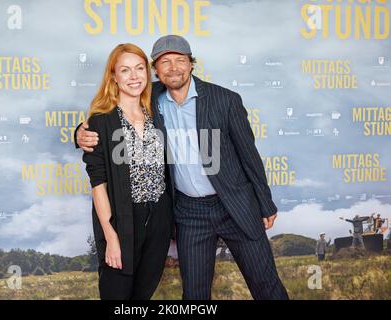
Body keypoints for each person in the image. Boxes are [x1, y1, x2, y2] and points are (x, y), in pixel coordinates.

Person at [76, 35, 288, 300]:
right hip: (189, 213)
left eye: (180, 60)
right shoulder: (150, 99)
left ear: (191, 64)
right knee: (195, 295)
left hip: (234, 205)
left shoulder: (225, 100)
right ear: (156, 70)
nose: (173, 68)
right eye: (165, 62)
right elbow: (111, 119)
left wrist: (265, 203)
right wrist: (81, 133)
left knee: (266, 284)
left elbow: (249, 156)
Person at [83, 43, 173, 300]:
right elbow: (98, 185)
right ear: (113, 76)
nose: (134, 77)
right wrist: (111, 237)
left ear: (148, 72)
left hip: (159, 219)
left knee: (142, 296)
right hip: (122, 220)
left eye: (139, 68)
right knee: (117, 294)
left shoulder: (157, 112)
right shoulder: (102, 120)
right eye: (125, 70)